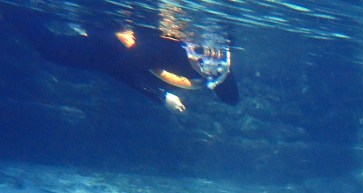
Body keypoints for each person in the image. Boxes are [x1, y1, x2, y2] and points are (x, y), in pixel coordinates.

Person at [2, 5, 239, 113]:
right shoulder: (177, 57)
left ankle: (13, 11)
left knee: (50, 47)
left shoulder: (204, 68)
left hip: (112, 45)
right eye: (203, 54)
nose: (205, 58)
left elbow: (230, 96)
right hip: (106, 49)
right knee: (49, 48)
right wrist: (160, 96)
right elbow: (116, 67)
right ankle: (10, 9)